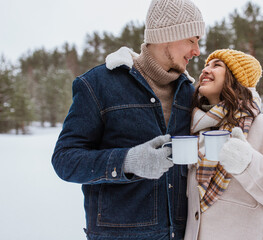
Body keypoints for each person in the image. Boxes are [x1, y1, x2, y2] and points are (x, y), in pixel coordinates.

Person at [51, 0, 205, 239]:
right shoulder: (98, 84)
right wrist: (127, 162)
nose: (197, 51)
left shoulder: (189, 93)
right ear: (168, 35)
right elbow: (64, 160)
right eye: (192, 40)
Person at [184, 49, 263, 240]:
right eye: (205, 65)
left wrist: (249, 165)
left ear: (235, 78)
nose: (206, 70)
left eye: (216, 65)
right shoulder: (196, 130)